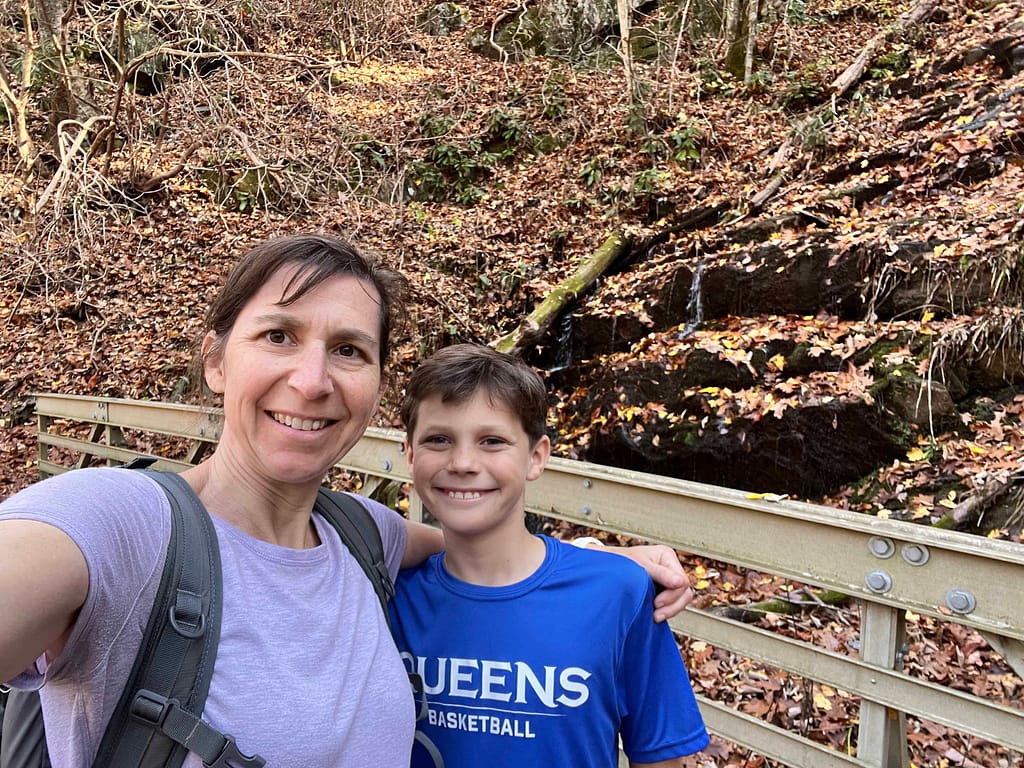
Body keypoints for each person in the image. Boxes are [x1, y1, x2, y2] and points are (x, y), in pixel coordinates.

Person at [0, 233, 695, 768]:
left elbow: (476, 546)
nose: (311, 380)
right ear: (217, 361)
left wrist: (605, 566)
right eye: (279, 335)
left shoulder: (363, 535)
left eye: (349, 350)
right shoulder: (118, 525)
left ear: (375, 387)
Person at [390, 343, 710, 768]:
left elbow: (658, 755)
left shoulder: (619, 595)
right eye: (438, 440)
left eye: (492, 441)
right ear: (410, 455)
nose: (463, 461)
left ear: (536, 457)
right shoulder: (386, 594)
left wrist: (599, 562)